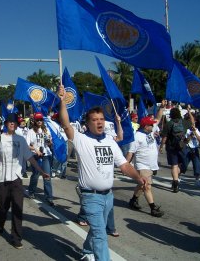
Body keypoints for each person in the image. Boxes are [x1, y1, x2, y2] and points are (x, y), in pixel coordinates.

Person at [57, 84, 147, 261]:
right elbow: (66, 124)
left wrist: (138, 177)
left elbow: (123, 165)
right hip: (91, 197)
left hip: (108, 197)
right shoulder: (81, 140)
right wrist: (62, 101)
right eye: (95, 120)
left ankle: (87, 252)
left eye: (101, 119)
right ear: (87, 123)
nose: (99, 122)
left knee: (98, 229)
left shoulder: (110, 141)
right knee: (100, 234)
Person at [0, 113, 50, 249]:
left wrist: (41, 171)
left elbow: (29, 157)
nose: (12, 123)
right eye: (10, 121)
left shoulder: (21, 140)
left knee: (17, 207)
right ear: (6, 124)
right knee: (4, 207)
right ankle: (0, 221)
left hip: (16, 179)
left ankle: (16, 237)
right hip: (2, 179)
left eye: (14, 122)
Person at [126, 116, 164, 217]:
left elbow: (158, 118)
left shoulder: (150, 133)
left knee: (141, 185)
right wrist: (125, 165)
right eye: (151, 125)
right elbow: (131, 152)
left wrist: (162, 107)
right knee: (147, 186)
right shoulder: (137, 137)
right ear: (146, 126)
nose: (153, 126)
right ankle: (153, 208)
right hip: (142, 165)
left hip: (151, 165)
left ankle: (133, 200)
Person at [160, 107, 194, 193]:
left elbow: (165, 137)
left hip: (171, 147)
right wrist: (189, 112)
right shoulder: (184, 122)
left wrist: (161, 146)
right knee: (180, 165)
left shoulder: (169, 123)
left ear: (171, 114)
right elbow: (193, 124)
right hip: (182, 146)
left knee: (174, 165)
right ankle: (177, 179)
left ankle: (175, 183)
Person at [27, 112, 55, 206]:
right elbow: (27, 145)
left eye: (41, 119)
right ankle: (31, 191)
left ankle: (49, 197)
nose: (39, 121)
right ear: (34, 121)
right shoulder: (31, 131)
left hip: (46, 154)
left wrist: (50, 142)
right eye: (37, 120)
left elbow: (50, 142)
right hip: (35, 155)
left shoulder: (46, 130)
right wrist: (35, 150)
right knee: (35, 174)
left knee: (47, 176)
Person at [184, 121, 200, 187]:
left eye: (194, 124)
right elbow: (185, 141)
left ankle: (197, 180)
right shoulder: (187, 131)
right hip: (188, 148)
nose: (193, 125)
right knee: (184, 164)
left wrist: (195, 132)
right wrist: (190, 136)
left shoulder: (197, 130)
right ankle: (177, 178)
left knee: (197, 164)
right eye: (192, 124)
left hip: (195, 149)